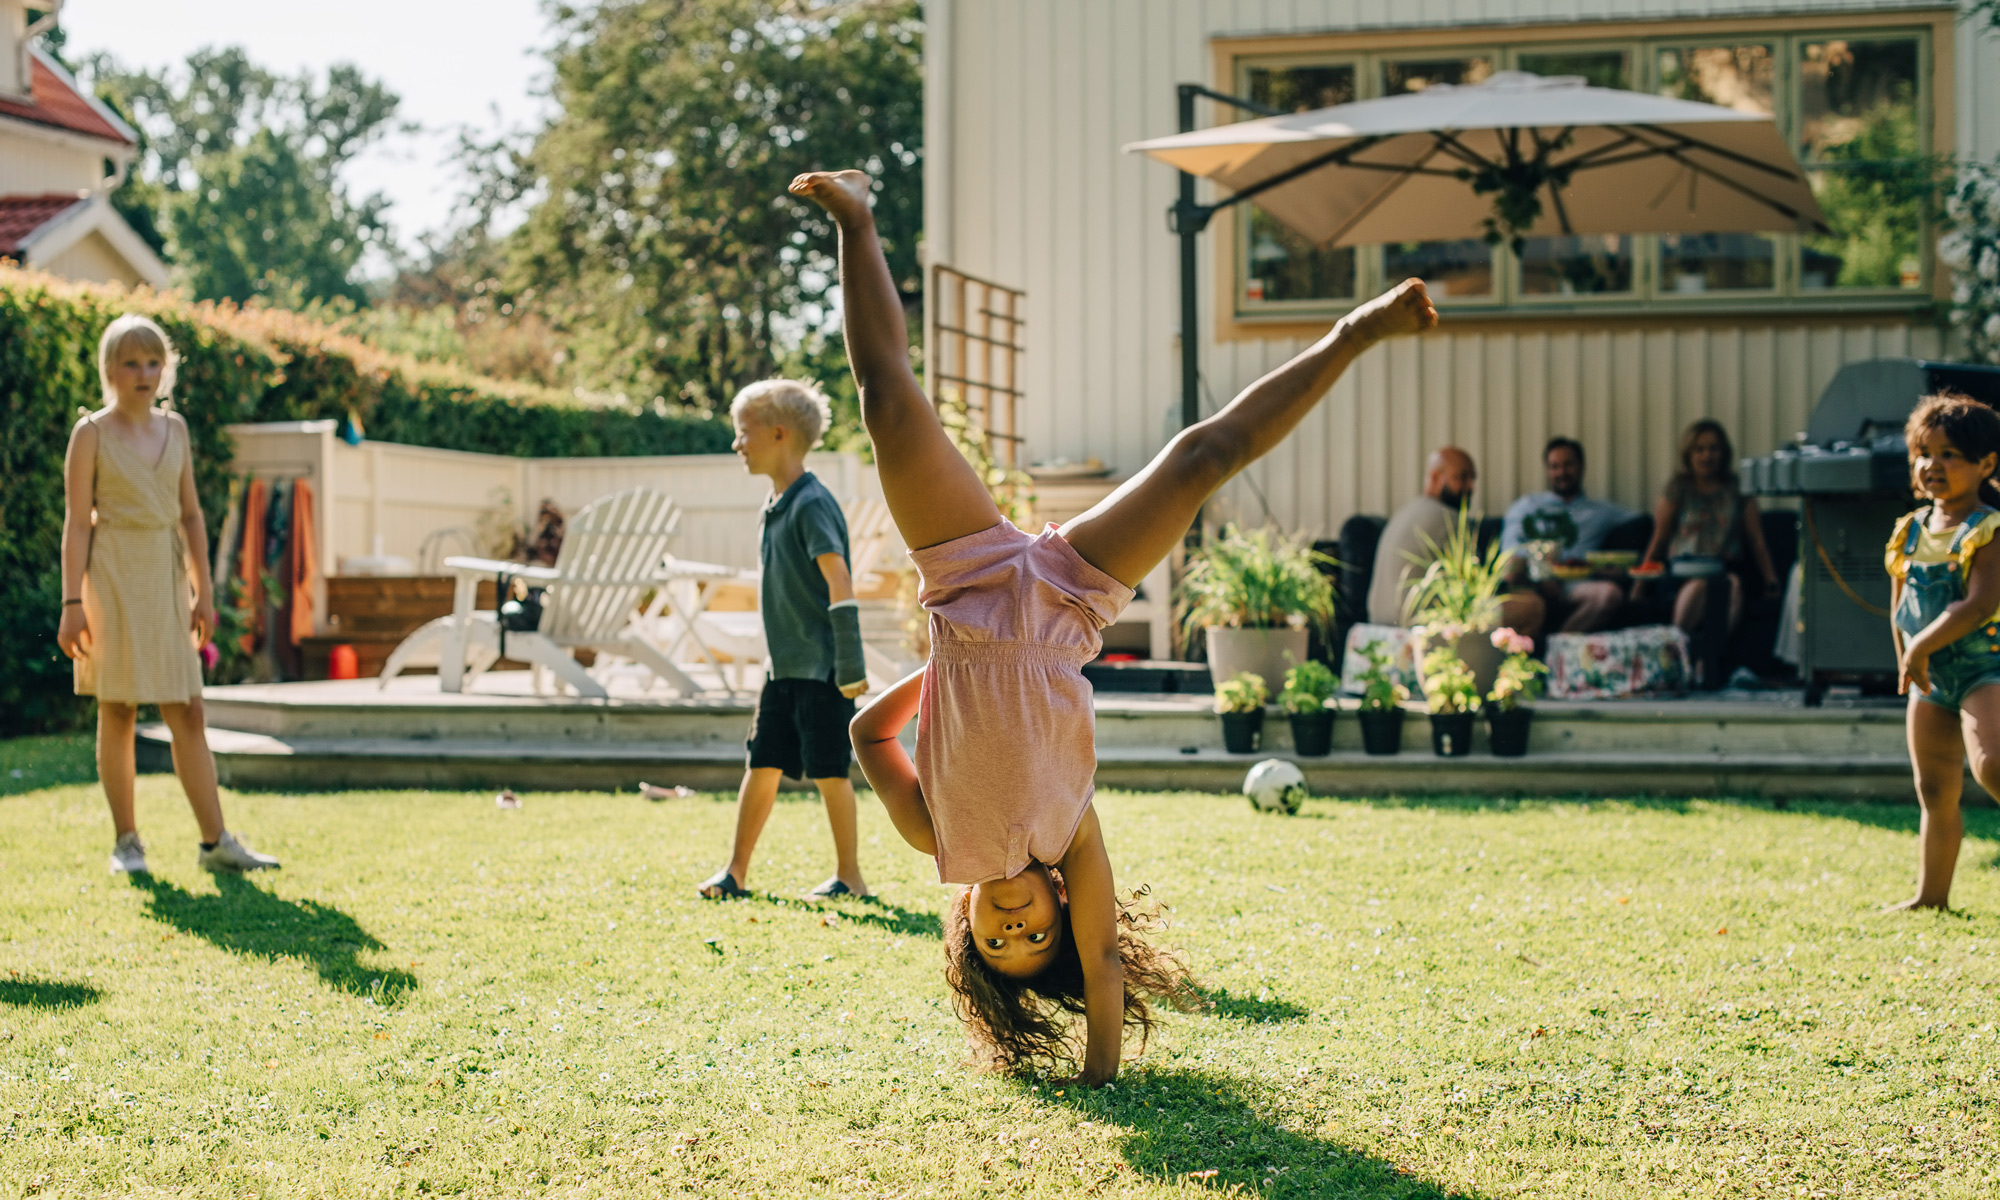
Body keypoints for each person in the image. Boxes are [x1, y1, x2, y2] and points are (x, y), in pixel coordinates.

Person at [797, 166, 1439, 1085]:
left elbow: (868, 731)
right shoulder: (1072, 842)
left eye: (998, 939)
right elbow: (1103, 961)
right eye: (1034, 936)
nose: (1016, 928)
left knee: (888, 402)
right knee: (1201, 456)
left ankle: (856, 218)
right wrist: (1101, 1077)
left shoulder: (933, 840)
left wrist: (941, 674)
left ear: (967, 928)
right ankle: (1355, 329)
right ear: (1057, 907)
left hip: (967, 580)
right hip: (1066, 598)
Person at [57, 315, 280, 876]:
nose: (144, 373)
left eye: (154, 362)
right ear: (110, 369)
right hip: (109, 577)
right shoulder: (90, 434)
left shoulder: (175, 429)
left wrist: (203, 591)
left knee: (189, 708)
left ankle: (216, 843)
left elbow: (191, 515)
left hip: (164, 573)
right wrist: (71, 603)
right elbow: (77, 525)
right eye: (132, 362)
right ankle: (127, 843)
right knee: (119, 707)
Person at [698, 379, 873, 901]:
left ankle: (851, 876)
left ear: (777, 434)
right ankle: (736, 872)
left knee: (829, 770)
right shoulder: (775, 505)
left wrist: (849, 662)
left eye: (743, 433)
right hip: (783, 669)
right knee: (762, 760)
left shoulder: (810, 504)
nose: (737, 444)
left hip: (821, 669)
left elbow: (840, 581)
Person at [1883, 392, 2000, 911]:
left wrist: (1921, 649)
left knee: (1992, 764)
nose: (1933, 464)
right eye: (1924, 452)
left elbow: (1978, 606)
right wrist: (1906, 658)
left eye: (1951, 454)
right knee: (1934, 788)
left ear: (1986, 465)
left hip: (1984, 667)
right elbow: (1899, 607)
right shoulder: (1908, 531)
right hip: (1930, 678)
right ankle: (1931, 897)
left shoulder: (1987, 529)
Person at [1366, 446, 1544, 635]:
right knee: (1533, 606)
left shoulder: (1405, 513)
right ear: (1435, 478)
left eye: (1472, 479)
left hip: (1379, 624)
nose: (1470, 487)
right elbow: (1476, 591)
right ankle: (1508, 663)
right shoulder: (1449, 519)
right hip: (1423, 624)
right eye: (1462, 477)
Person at [1640, 419, 1780, 636]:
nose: (1707, 456)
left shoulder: (1737, 489)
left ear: (1723, 453)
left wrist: (1771, 581)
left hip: (1726, 569)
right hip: (1683, 571)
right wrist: (1639, 585)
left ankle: (1710, 658)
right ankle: (1679, 647)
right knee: (1699, 586)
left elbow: (1757, 539)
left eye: (1714, 449)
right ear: (1689, 454)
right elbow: (1660, 538)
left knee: (1730, 585)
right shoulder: (1678, 488)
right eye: (1700, 449)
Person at [1501, 437, 1632, 633]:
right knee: (1513, 567)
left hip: (1574, 585)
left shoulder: (1601, 511)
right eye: (1555, 466)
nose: (1561, 472)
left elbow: (1649, 521)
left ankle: (1559, 647)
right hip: (1531, 580)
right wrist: (1543, 573)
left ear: (1581, 467)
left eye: (1568, 465)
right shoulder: (1527, 506)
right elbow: (1511, 550)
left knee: (1609, 594)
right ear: (1547, 470)